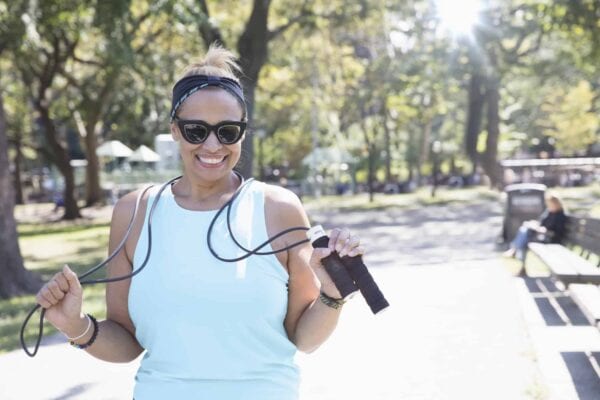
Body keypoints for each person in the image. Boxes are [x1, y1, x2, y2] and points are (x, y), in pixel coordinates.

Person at [34, 45, 367, 400]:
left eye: (227, 131)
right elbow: (126, 342)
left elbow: (304, 339)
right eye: (196, 130)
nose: (212, 145)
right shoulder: (134, 212)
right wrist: (75, 326)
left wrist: (332, 294)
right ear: (174, 130)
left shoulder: (279, 208)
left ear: (242, 132)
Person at [503, 193, 567, 261]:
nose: (549, 206)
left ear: (556, 204)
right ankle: (515, 253)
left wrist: (545, 231)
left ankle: (514, 251)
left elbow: (558, 232)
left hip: (549, 238)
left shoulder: (560, 216)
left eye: (551, 204)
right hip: (541, 234)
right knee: (524, 230)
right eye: (548, 204)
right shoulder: (549, 212)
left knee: (525, 236)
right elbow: (541, 222)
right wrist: (535, 225)